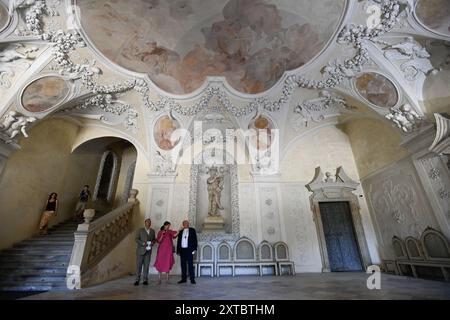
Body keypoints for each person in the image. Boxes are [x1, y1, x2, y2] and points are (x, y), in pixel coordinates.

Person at [134, 219, 156, 286]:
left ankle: (145, 280)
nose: (148, 223)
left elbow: (154, 239)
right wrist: (143, 243)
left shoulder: (152, 231)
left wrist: (152, 242)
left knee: (146, 266)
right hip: (140, 251)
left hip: (148, 251)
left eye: (149, 222)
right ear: (145, 223)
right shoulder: (140, 230)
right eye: (147, 222)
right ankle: (137, 280)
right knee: (139, 266)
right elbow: (136, 239)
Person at [176, 220, 198, 285]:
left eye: (187, 223)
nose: (186, 224)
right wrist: (178, 250)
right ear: (183, 224)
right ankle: (183, 279)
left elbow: (195, 240)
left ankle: (192, 279)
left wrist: (194, 249)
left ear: (188, 224)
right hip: (182, 250)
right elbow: (178, 241)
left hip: (189, 250)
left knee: (190, 265)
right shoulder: (181, 231)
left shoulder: (192, 230)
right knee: (183, 265)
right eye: (185, 223)